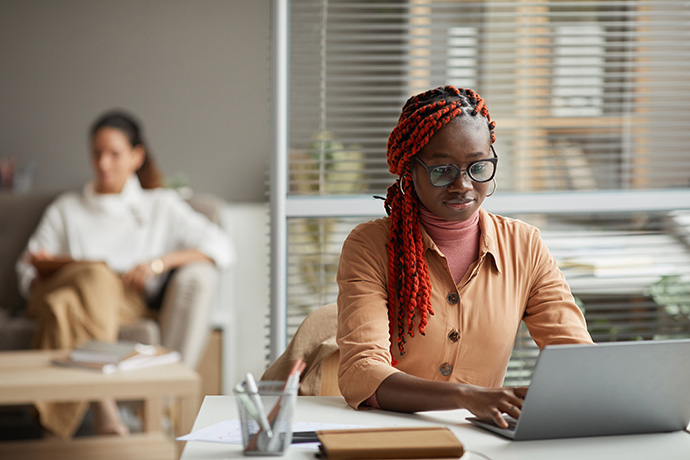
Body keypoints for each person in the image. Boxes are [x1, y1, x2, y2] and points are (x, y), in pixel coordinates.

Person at [336, 86, 593, 428]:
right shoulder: (370, 246)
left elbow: (575, 357)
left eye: (478, 167)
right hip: (387, 432)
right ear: (409, 170)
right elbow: (362, 372)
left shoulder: (524, 245)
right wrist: (466, 396)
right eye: (442, 170)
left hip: (481, 439)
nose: (464, 186)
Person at [15, 110, 235, 439]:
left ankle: (52, 432)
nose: (104, 164)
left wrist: (158, 263)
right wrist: (40, 266)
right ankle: (105, 405)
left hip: (124, 299)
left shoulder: (158, 205)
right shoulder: (67, 208)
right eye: (97, 153)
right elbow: (24, 269)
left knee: (63, 306)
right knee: (91, 274)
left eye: (114, 154)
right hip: (57, 286)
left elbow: (221, 246)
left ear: (136, 156)